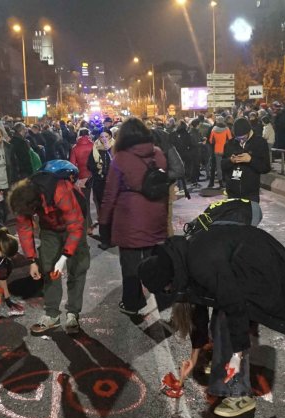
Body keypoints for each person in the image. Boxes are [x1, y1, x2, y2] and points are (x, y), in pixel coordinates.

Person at [138, 226, 285, 417]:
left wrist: (236, 356)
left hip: (259, 267)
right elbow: (198, 307)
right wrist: (194, 358)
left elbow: (235, 306)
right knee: (221, 325)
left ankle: (239, 394)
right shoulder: (181, 260)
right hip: (243, 264)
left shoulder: (201, 264)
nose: (169, 293)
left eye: (167, 289)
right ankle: (225, 369)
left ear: (168, 280)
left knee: (226, 328)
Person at [99, 118, 169, 316]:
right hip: (155, 214)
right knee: (156, 262)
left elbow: (110, 193)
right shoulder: (157, 154)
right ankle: (165, 300)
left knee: (130, 265)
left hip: (129, 218)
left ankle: (132, 303)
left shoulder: (121, 158)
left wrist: (104, 222)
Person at [10, 168, 89, 335]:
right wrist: (31, 260)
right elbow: (24, 229)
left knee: (77, 267)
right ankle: (51, 315)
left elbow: (75, 228)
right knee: (48, 268)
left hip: (74, 223)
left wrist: (64, 258)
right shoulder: (22, 201)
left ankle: (73, 313)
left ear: (35, 204)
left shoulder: (60, 190)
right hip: (50, 228)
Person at [220, 118, 270, 224]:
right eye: (238, 138)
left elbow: (265, 167)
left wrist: (251, 160)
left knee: (250, 226)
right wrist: (230, 160)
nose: (240, 140)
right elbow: (222, 165)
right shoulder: (229, 144)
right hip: (232, 192)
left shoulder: (260, 143)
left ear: (248, 132)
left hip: (251, 193)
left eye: (243, 137)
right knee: (233, 224)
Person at [88, 130, 115, 249]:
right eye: (101, 136)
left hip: (113, 184)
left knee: (113, 211)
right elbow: (90, 165)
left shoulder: (114, 149)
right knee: (103, 212)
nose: (104, 139)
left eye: (106, 136)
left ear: (110, 137)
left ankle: (114, 237)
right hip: (100, 184)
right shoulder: (95, 149)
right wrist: (99, 171)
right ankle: (105, 239)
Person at [206, 116, 232, 190]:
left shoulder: (214, 129)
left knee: (218, 167)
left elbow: (210, 140)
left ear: (217, 121)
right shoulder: (227, 128)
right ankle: (225, 182)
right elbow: (230, 139)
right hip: (225, 150)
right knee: (225, 166)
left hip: (216, 150)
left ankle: (218, 182)